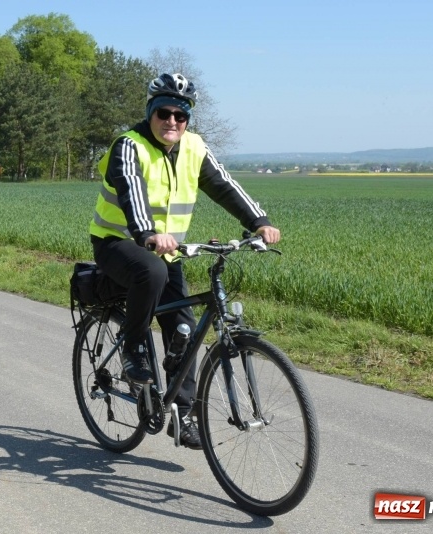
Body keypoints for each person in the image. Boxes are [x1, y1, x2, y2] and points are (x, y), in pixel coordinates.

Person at [89, 73, 281, 449]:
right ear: (151, 113)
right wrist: (146, 233)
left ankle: (185, 412)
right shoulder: (129, 145)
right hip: (118, 242)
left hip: (168, 249)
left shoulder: (194, 147)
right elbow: (131, 190)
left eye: (181, 115)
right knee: (151, 269)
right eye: (164, 113)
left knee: (184, 329)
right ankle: (133, 348)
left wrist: (258, 220)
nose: (172, 121)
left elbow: (225, 186)